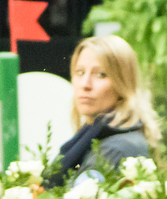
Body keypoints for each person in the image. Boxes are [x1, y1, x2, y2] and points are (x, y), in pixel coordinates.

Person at [46, 34, 157, 187]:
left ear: (123, 83)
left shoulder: (114, 149)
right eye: (80, 72)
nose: (85, 84)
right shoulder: (97, 136)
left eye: (101, 75)